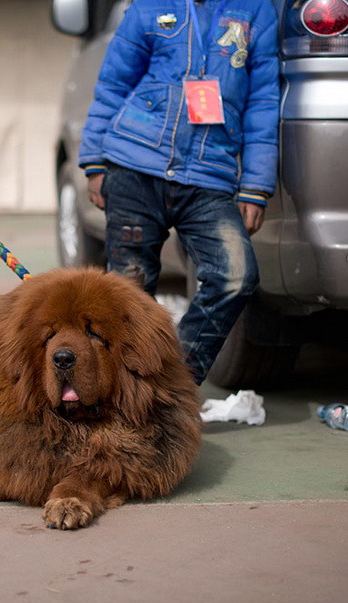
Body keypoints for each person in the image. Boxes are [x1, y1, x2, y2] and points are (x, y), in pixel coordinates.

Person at [78, 0, 279, 384]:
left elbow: (264, 102)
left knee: (236, 276)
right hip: (135, 166)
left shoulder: (257, 11)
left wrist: (255, 186)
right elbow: (113, 83)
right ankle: (120, 397)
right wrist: (94, 161)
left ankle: (172, 384)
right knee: (127, 293)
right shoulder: (149, 6)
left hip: (210, 176)